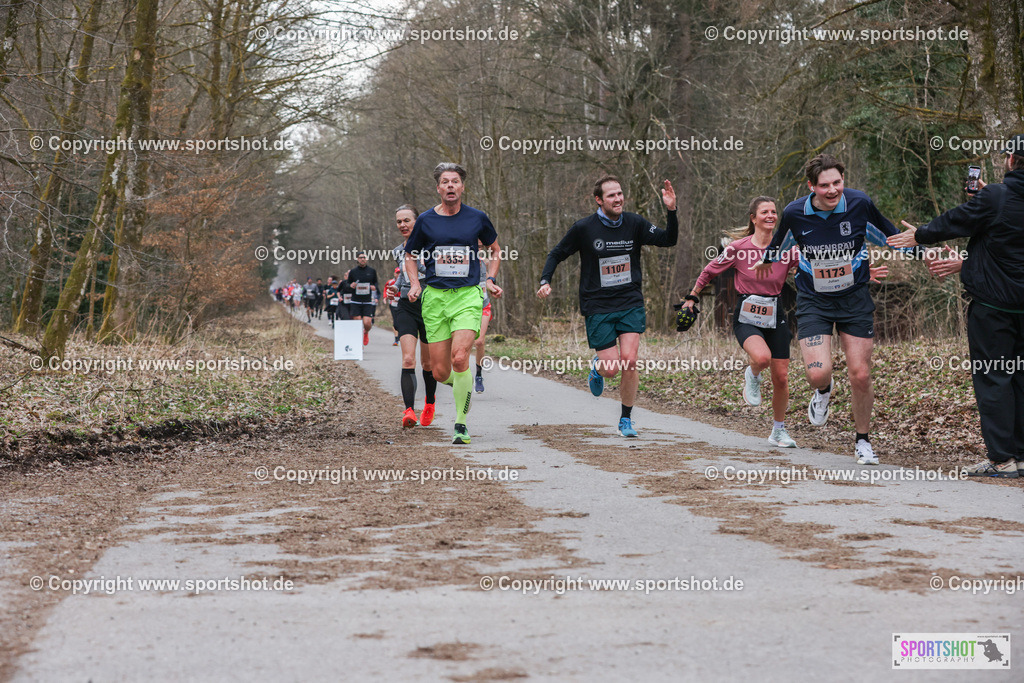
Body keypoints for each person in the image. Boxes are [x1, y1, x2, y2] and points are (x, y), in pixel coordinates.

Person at [755, 153, 912, 465]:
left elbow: (890, 237)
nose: (832, 190)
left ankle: (863, 442)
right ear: (811, 186)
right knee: (817, 373)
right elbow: (781, 243)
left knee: (861, 374)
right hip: (814, 300)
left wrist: (921, 242)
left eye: (837, 183)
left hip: (854, 299)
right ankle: (823, 391)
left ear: (844, 181)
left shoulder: (859, 204)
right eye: (824, 185)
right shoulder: (795, 212)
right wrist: (767, 260)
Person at [888, 133, 1024, 479]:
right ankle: (1020, 456)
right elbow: (1007, 249)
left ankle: (1001, 460)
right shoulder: (997, 198)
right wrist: (969, 260)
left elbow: (954, 221)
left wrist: (919, 234)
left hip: (995, 310)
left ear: (1011, 159)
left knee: (994, 379)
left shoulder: (996, 196)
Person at [537, 175, 678, 438]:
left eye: (620, 193)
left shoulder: (635, 223)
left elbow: (668, 240)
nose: (618, 199)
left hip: (629, 301)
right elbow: (556, 253)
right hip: (598, 305)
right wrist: (546, 280)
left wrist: (671, 209)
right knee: (611, 368)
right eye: (611, 195)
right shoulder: (584, 228)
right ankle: (597, 367)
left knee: (630, 361)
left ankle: (625, 419)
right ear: (599, 200)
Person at [682, 196, 801, 447]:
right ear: (753, 218)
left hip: (775, 312)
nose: (771, 216)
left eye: (774, 212)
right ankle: (753, 374)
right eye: (765, 212)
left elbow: (809, 269)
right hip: (747, 314)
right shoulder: (738, 248)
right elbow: (709, 271)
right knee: (761, 358)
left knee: (781, 377)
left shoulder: (787, 249)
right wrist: (692, 297)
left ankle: (778, 430)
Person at [405, 163, 503, 444]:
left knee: (460, 357)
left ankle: (460, 423)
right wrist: (414, 283)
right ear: (438, 188)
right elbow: (410, 255)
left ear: (462, 187)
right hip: (435, 298)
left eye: (455, 181)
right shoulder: (425, 220)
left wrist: (490, 278)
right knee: (440, 371)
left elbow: (495, 250)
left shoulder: (477, 218)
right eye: (445, 182)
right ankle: (465, 383)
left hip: (467, 295)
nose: (450, 185)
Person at [389, 204, 437, 428]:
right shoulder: (398, 250)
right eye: (399, 221)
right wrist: (395, 287)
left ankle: (430, 402)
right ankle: (409, 411)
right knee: (408, 359)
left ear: (417, 222)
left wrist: (421, 281)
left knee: (428, 363)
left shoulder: (432, 246)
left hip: (429, 307)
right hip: (406, 305)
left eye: (407, 220)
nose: (402, 225)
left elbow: (437, 275)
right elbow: (403, 276)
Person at [347, 252, 378, 346]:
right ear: (357, 259)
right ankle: (358, 343)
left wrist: (374, 287)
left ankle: (366, 332)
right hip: (355, 300)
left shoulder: (372, 271)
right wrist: (351, 285)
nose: (362, 259)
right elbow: (347, 284)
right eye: (360, 257)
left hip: (367, 300)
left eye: (364, 257)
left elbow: (376, 283)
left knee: (367, 323)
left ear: (367, 259)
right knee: (357, 322)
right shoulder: (353, 271)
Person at [475, 242, 492, 393]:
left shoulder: (485, 262)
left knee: (479, 341)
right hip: (466, 307)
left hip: (484, 305)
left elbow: (489, 280)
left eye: (481, 247)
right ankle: (463, 375)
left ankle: (478, 375)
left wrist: (492, 285)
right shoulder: (461, 260)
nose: (479, 249)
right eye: (476, 246)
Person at [384, 267, 401, 345]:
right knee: (395, 321)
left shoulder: (405, 282)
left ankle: (401, 335)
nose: (398, 274)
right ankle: (396, 339)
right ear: (394, 273)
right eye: (397, 273)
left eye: (400, 273)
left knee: (402, 320)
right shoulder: (390, 282)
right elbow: (385, 290)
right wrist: (385, 298)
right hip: (393, 303)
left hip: (402, 303)